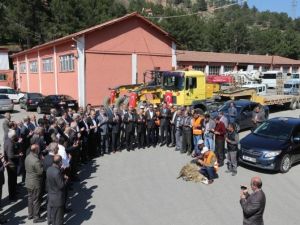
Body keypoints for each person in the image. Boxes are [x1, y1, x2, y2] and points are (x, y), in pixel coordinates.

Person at [25, 144, 45, 223]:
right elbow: (40, 172)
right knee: (36, 200)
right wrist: (42, 161)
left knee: (30, 198)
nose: (39, 150)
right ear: (36, 150)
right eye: (39, 149)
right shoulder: (36, 160)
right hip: (35, 183)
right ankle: (36, 217)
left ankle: (30, 214)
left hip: (28, 181)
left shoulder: (28, 156)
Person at [47, 155, 67, 225]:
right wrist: (66, 179)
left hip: (51, 196)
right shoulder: (57, 172)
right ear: (60, 162)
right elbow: (61, 186)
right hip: (58, 198)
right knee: (58, 219)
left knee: (53, 217)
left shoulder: (49, 169)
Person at [4, 129, 22, 200]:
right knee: (12, 180)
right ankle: (12, 196)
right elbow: (11, 155)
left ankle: (14, 192)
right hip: (11, 164)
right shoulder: (10, 143)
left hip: (10, 164)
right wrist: (19, 155)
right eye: (15, 135)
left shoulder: (8, 140)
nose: (16, 136)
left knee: (13, 180)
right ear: (12, 136)